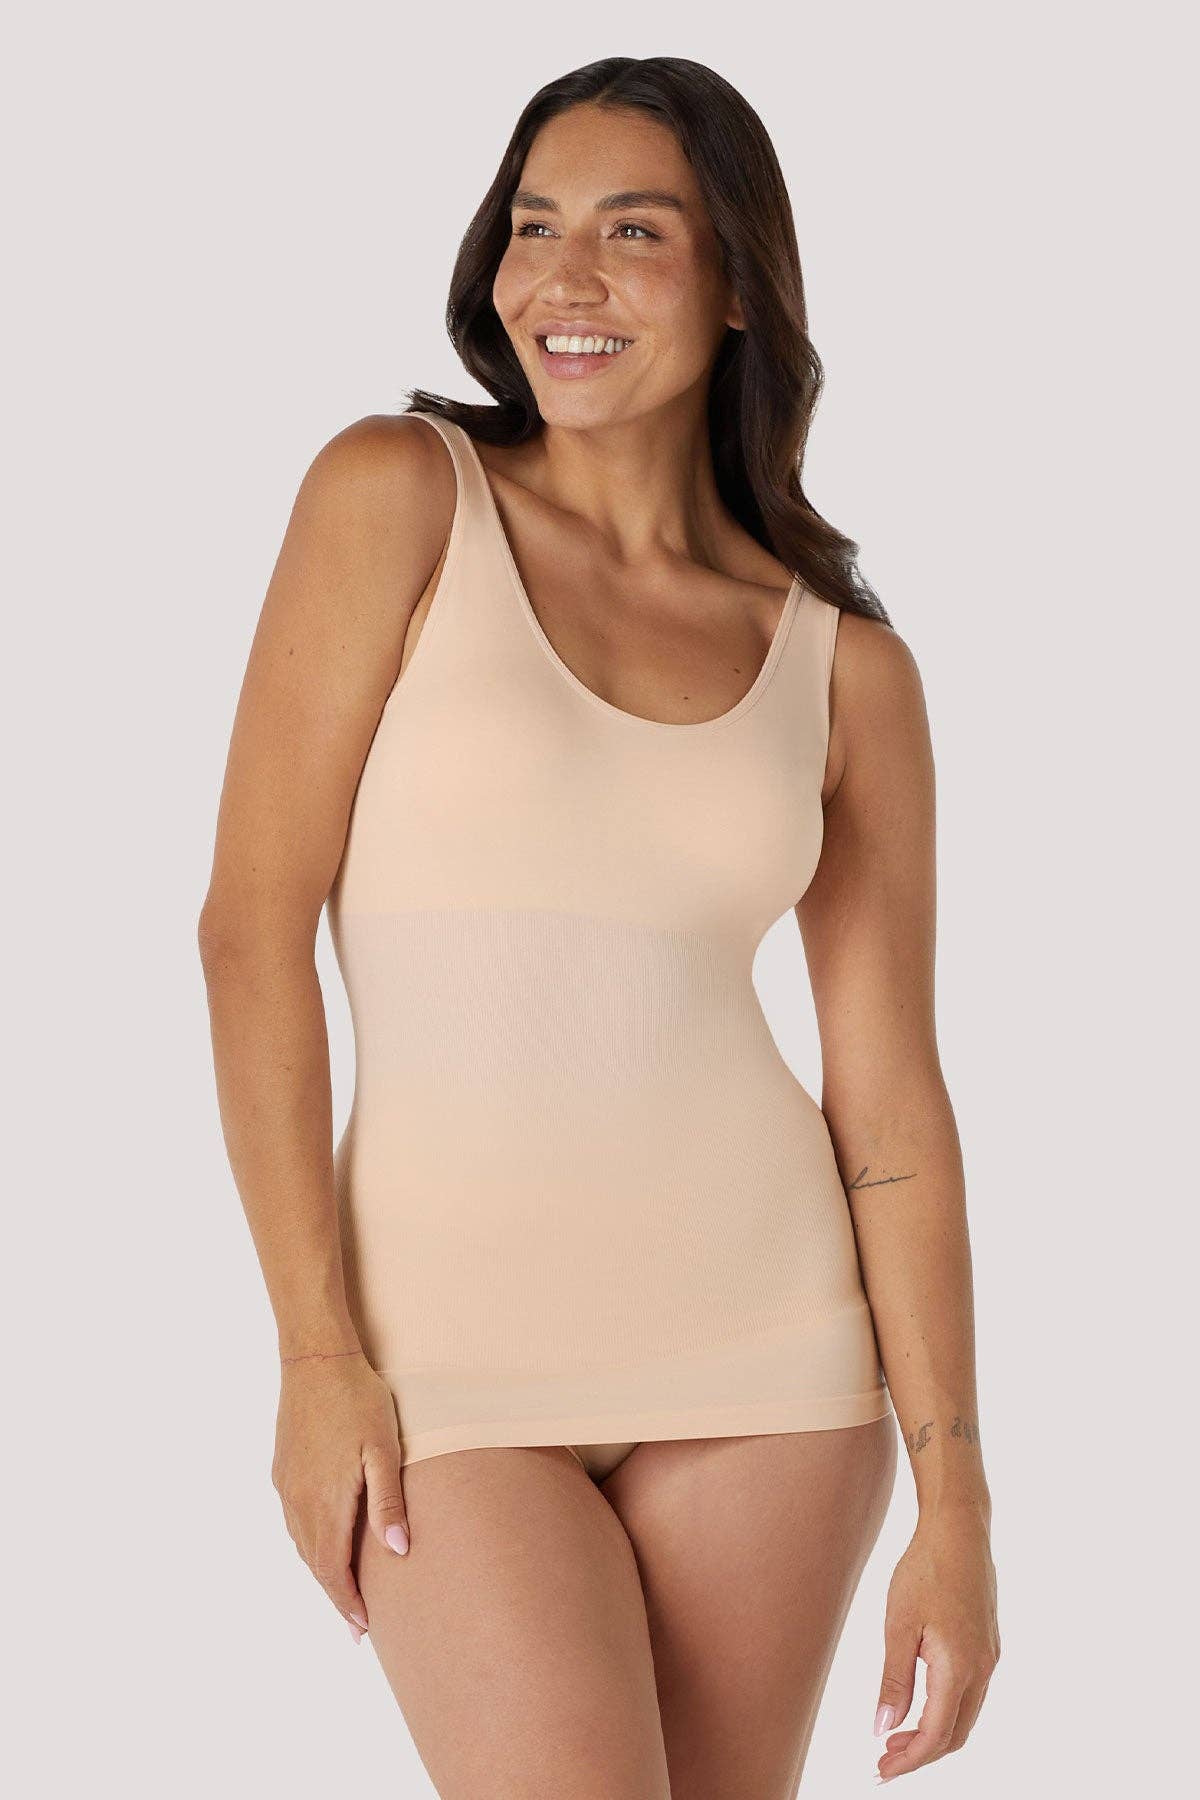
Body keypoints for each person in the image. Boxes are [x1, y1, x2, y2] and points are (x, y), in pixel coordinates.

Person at [198, 55, 999, 1798]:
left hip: (773, 1369)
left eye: (633, 232)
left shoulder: (845, 667)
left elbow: (891, 1106)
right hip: (441, 1371)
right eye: (533, 227)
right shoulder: (397, 496)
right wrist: (314, 1354)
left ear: (738, 286)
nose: (564, 277)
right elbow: (250, 932)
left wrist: (959, 1509)